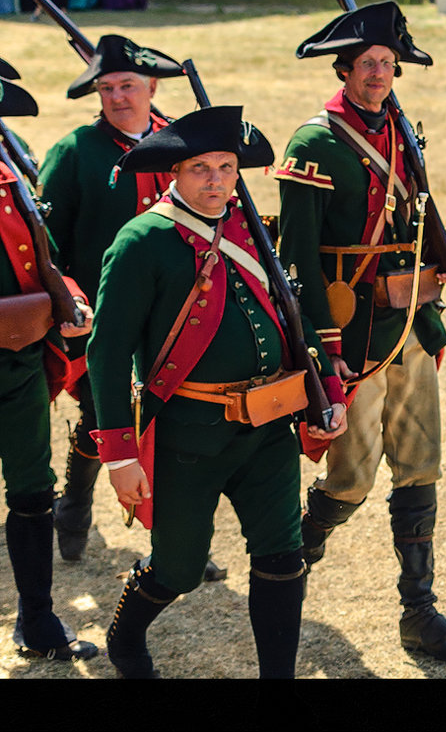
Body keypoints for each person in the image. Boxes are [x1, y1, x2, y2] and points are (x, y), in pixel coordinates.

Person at [87, 105, 348, 678]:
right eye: (200, 168)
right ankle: (126, 640)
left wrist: (327, 388)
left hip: (268, 428)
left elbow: (292, 312)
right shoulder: (142, 241)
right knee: (176, 571)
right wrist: (120, 455)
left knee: (282, 557)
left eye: (226, 167)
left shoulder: (249, 226)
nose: (215, 180)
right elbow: (105, 352)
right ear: (174, 174)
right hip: (188, 436)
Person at [275, 0, 446, 665]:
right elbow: (300, 259)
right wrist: (323, 348)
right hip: (351, 331)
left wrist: (444, 255)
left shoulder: (400, 130)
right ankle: (289, 564)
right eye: (367, 64)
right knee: (350, 480)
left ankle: (418, 611)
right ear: (344, 68)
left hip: (408, 320)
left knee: (421, 465)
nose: (378, 75)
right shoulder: (314, 142)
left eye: (387, 64)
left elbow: (418, 206)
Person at [39, 35, 221, 582]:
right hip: (104, 315)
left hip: (177, 316)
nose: (117, 97)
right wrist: (69, 294)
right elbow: (46, 243)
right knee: (104, 415)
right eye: (106, 88)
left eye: (127, 85)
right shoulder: (74, 153)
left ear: (152, 87)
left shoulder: (180, 144)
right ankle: (76, 496)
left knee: (172, 430)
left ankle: (177, 542)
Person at [0, 60, 98, 664]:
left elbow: (39, 255)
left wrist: (69, 295)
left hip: (18, 357)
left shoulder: (9, 170)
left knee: (33, 492)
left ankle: (36, 618)